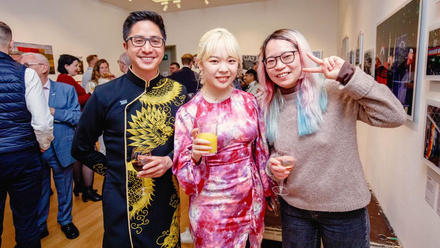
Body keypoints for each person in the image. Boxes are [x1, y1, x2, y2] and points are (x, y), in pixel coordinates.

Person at [258, 29, 407, 248]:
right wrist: (272, 168)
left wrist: (349, 75)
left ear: (302, 54)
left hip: (344, 213)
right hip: (294, 210)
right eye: (271, 61)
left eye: (287, 56)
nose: (279, 66)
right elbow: (268, 154)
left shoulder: (336, 91)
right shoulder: (266, 103)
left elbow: (394, 116)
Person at [71, 11, 187, 247]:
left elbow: (187, 145)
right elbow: (80, 147)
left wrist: (170, 160)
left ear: (163, 46)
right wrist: (113, 171)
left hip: (166, 194)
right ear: (126, 45)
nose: (147, 48)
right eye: (138, 40)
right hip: (121, 197)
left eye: (155, 41)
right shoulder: (105, 94)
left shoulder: (179, 92)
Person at [173, 28, 272, 248]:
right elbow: (187, 183)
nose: (224, 69)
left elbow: (261, 152)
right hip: (212, 212)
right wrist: (196, 156)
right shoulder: (188, 113)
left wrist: (268, 191)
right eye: (214, 61)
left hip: (250, 205)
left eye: (231, 61)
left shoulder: (248, 102)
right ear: (200, 63)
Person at [0, 21, 54, 248]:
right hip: (22, 155)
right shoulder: (26, 74)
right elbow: (41, 122)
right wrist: (42, 144)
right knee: (26, 221)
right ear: (11, 44)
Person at [21, 52, 81, 240]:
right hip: (34, 149)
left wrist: (54, 112)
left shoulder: (65, 90)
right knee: (40, 190)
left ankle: (65, 221)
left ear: (43, 68)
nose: (21, 69)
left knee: (64, 188)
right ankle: (40, 225)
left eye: (26, 65)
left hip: (60, 147)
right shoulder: (21, 90)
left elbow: (77, 117)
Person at [56, 54, 101, 202]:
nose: (77, 68)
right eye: (75, 66)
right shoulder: (66, 79)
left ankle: (80, 187)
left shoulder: (64, 79)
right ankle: (86, 189)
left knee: (79, 156)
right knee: (89, 152)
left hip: (75, 122)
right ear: (66, 66)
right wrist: (90, 95)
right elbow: (75, 100)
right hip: (76, 121)